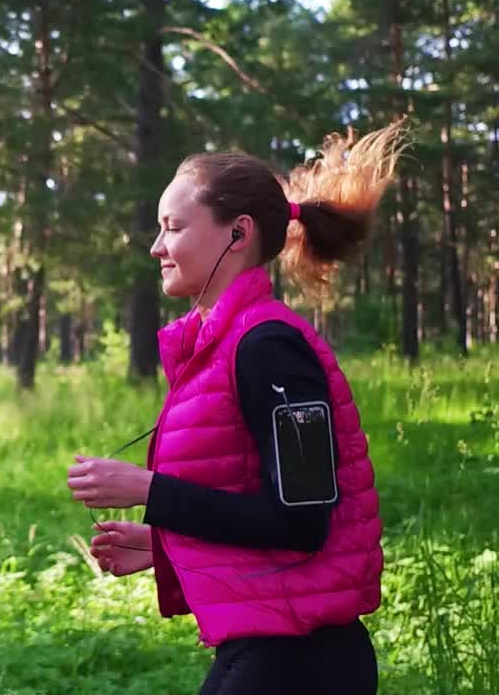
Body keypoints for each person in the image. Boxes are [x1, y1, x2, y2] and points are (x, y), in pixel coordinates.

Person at [65, 123, 405, 694]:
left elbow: (302, 520)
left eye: (172, 227)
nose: (156, 247)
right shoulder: (222, 347)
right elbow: (255, 503)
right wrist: (165, 542)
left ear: (237, 233)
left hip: (302, 659)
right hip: (271, 644)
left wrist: (150, 490)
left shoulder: (270, 348)